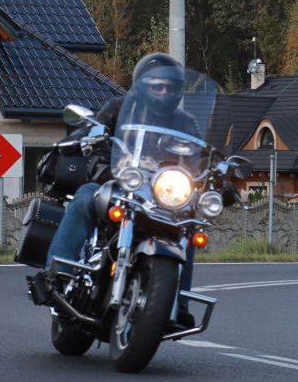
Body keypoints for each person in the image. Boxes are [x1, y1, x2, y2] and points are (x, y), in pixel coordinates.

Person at [36, 53, 204, 327]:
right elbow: (93, 130)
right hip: (115, 179)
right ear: (142, 86)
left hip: (160, 195)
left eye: (170, 87)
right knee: (84, 198)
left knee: (188, 223)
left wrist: (223, 172)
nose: (164, 92)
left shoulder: (184, 121)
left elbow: (203, 154)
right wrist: (78, 140)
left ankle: (178, 299)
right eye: (157, 86)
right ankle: (58, 274)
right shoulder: (119, 107)